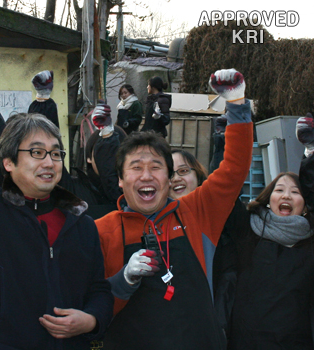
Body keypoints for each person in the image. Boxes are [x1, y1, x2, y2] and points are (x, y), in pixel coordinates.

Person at [0, 32, 113, 349]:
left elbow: (99, 291)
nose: (49, 161)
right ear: (7, 162)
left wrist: (91, 320)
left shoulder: (82, 224)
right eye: (35, 152)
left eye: (55, 153)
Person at [96, 68, 253, 349]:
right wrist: (124, 280)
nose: (146, 176)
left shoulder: (195, 211)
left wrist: (237, 104)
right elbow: (91, 303)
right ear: (120, 180)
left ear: (169, 180)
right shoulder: (101, 230)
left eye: (156, 167)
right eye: (136, 168)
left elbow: (234, 169)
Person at [227, 115, 314, 349]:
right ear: (269, 200)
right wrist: (225, 138)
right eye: (279, 190)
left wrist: (313, 153)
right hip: (244, 341)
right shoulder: (247, 230)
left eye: (295, 192)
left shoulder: (313, 241)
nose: (287, 195)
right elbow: (225, 191)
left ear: (304, 206)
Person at [170, 148, 238, 339]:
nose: (175, 178)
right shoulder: (154, 225)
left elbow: (231, 175)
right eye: (169, 173)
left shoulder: (225, 219)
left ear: (199, 177)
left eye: (183, 171)